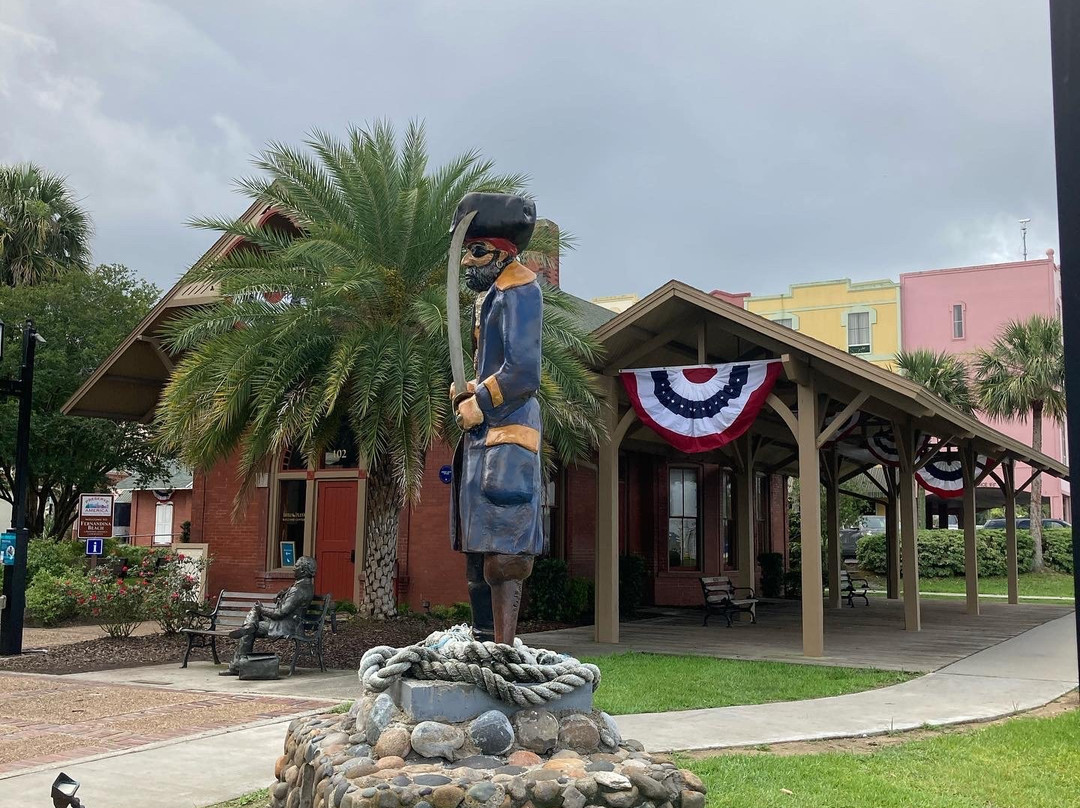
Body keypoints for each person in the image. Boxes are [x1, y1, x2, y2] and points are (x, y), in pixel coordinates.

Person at [449, 192, 543, 646]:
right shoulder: (491, 296)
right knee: (477, 549)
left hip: (508, 434)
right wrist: (471, 389)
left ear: (503, 253)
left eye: (477, 251)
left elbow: (525, 371)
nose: (468, 262)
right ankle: (483, 640)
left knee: (504, 554)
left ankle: (502, 649)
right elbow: (498, 365)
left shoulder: (521, 291)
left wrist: (481, 401)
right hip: (484, 436)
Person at [220, 555, 316, 675]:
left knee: (252, 625)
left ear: (303, 570)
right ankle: (249, 626)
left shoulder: (298, 590)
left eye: (296, 566)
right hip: (290, 623)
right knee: (254, 616)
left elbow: (280, 614)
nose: (293, 569)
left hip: (286, 626)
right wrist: (284, 593)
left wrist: (262, 609)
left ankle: (236, 665)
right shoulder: (305, 586)